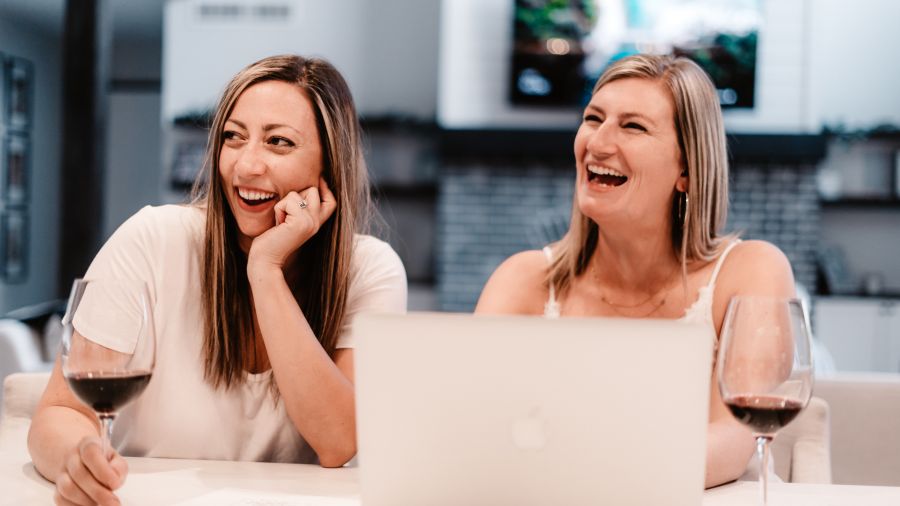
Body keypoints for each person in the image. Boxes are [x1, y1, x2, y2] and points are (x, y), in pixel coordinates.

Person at [28, 55, 407, 505]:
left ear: (329, 163)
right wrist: (76, 461)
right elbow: (61, 411)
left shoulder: (370, 269)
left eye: (279, 142)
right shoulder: (152, 240)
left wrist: (265, 271)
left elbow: (338, 441)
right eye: (233, 137)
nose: (246, 166)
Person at [475, 54, 795, 488]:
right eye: (593, 118)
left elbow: (736, 440)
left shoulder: (752, 271)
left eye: (633, 127)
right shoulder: (523, 280)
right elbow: (475, 428)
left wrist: (589, 472)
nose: (598, 142)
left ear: (687, 169)